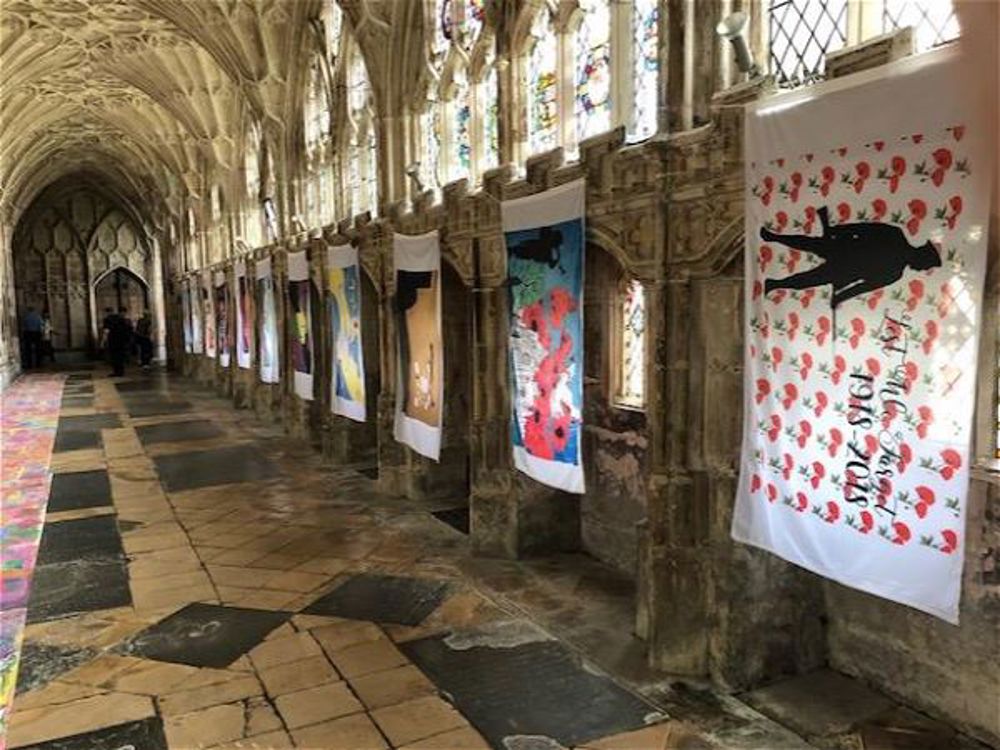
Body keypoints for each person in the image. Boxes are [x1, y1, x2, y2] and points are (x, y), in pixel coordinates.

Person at [762, 206, 941, 309]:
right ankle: (774, 281)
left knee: (808, 247)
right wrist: (840, 297)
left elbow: (862, 228)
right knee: (809, 274)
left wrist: (835, 230)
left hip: (842, 254)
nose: (923, 270)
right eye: (926, 266)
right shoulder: (894, 271)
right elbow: (862, 286)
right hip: (842, 257)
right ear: (923, 257)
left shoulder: (896, 238)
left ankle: (773, 245)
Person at [104, 306, 133, 377]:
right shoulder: (123, 320)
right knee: (120, 356)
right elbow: (129, 330)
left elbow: (106, 331)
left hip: (113, 340)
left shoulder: (108, 319)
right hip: (121, 341)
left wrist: (104, 341)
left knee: (114, 357)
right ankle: (120, 371)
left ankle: (117, 371)